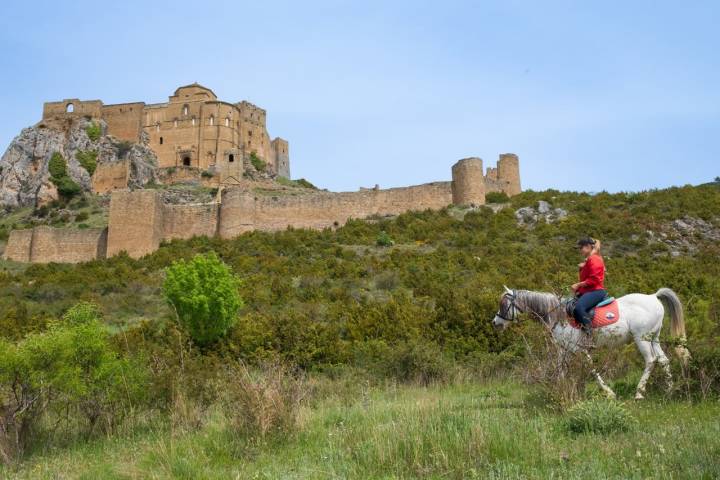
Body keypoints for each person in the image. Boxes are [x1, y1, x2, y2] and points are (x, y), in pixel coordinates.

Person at [571, 237, 607, 335]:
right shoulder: (591, 258)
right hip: (589, 291)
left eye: (581, 248)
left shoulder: (594, 259)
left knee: (579, 307)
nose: (580, 250)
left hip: (596, 291)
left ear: (587, 247)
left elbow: (594, 279)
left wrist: (578, 285)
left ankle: (590, 334)